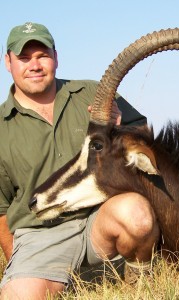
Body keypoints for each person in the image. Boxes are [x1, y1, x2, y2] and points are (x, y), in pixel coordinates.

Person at [0, 22, 160, 299]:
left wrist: (119, 125)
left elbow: (145, 138)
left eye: (42, 56)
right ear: (8, 63)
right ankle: (57, 276)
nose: (34, 65)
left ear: (56, 57)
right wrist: (23, 263)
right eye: (24, 58)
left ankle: (140, 285)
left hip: (101, 220)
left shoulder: (93, 93)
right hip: (41, 234)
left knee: (137, 213)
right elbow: (1, 211)